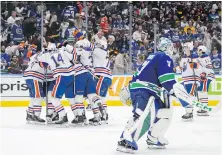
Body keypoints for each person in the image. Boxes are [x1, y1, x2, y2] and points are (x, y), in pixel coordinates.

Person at [117, 38, 177, 152]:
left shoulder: (153, 56)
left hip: (147, 89)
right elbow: (166, 80)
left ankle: (153, 138)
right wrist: (175, 90)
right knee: (142, 114)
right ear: (166, 47)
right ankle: (125, 139)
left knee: (164, 112)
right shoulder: (164, 56)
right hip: (145, 89)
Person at [179, 42, 202, 120]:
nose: (184, 50)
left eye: (186, 48)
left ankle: (189, 113)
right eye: (184, 48)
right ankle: (188, 112)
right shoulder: (183, 58)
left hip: (192, 80)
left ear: (190, 48)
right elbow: (181, 68)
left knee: (189, 96)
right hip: (185, 80)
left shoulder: (195, 57)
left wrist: (192, 62)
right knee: (181, 93)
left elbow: (198, 68)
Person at [196, 45, 215, 116]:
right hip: (205, 76)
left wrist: (203, 73)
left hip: (206, 76)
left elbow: (209, 67)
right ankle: (203, 108)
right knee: (201, 91)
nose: (198, 51)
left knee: (202, 92)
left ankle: (204, 109)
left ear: (201, 50)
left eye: (199, 50)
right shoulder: (204, 57)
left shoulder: (204, 57)